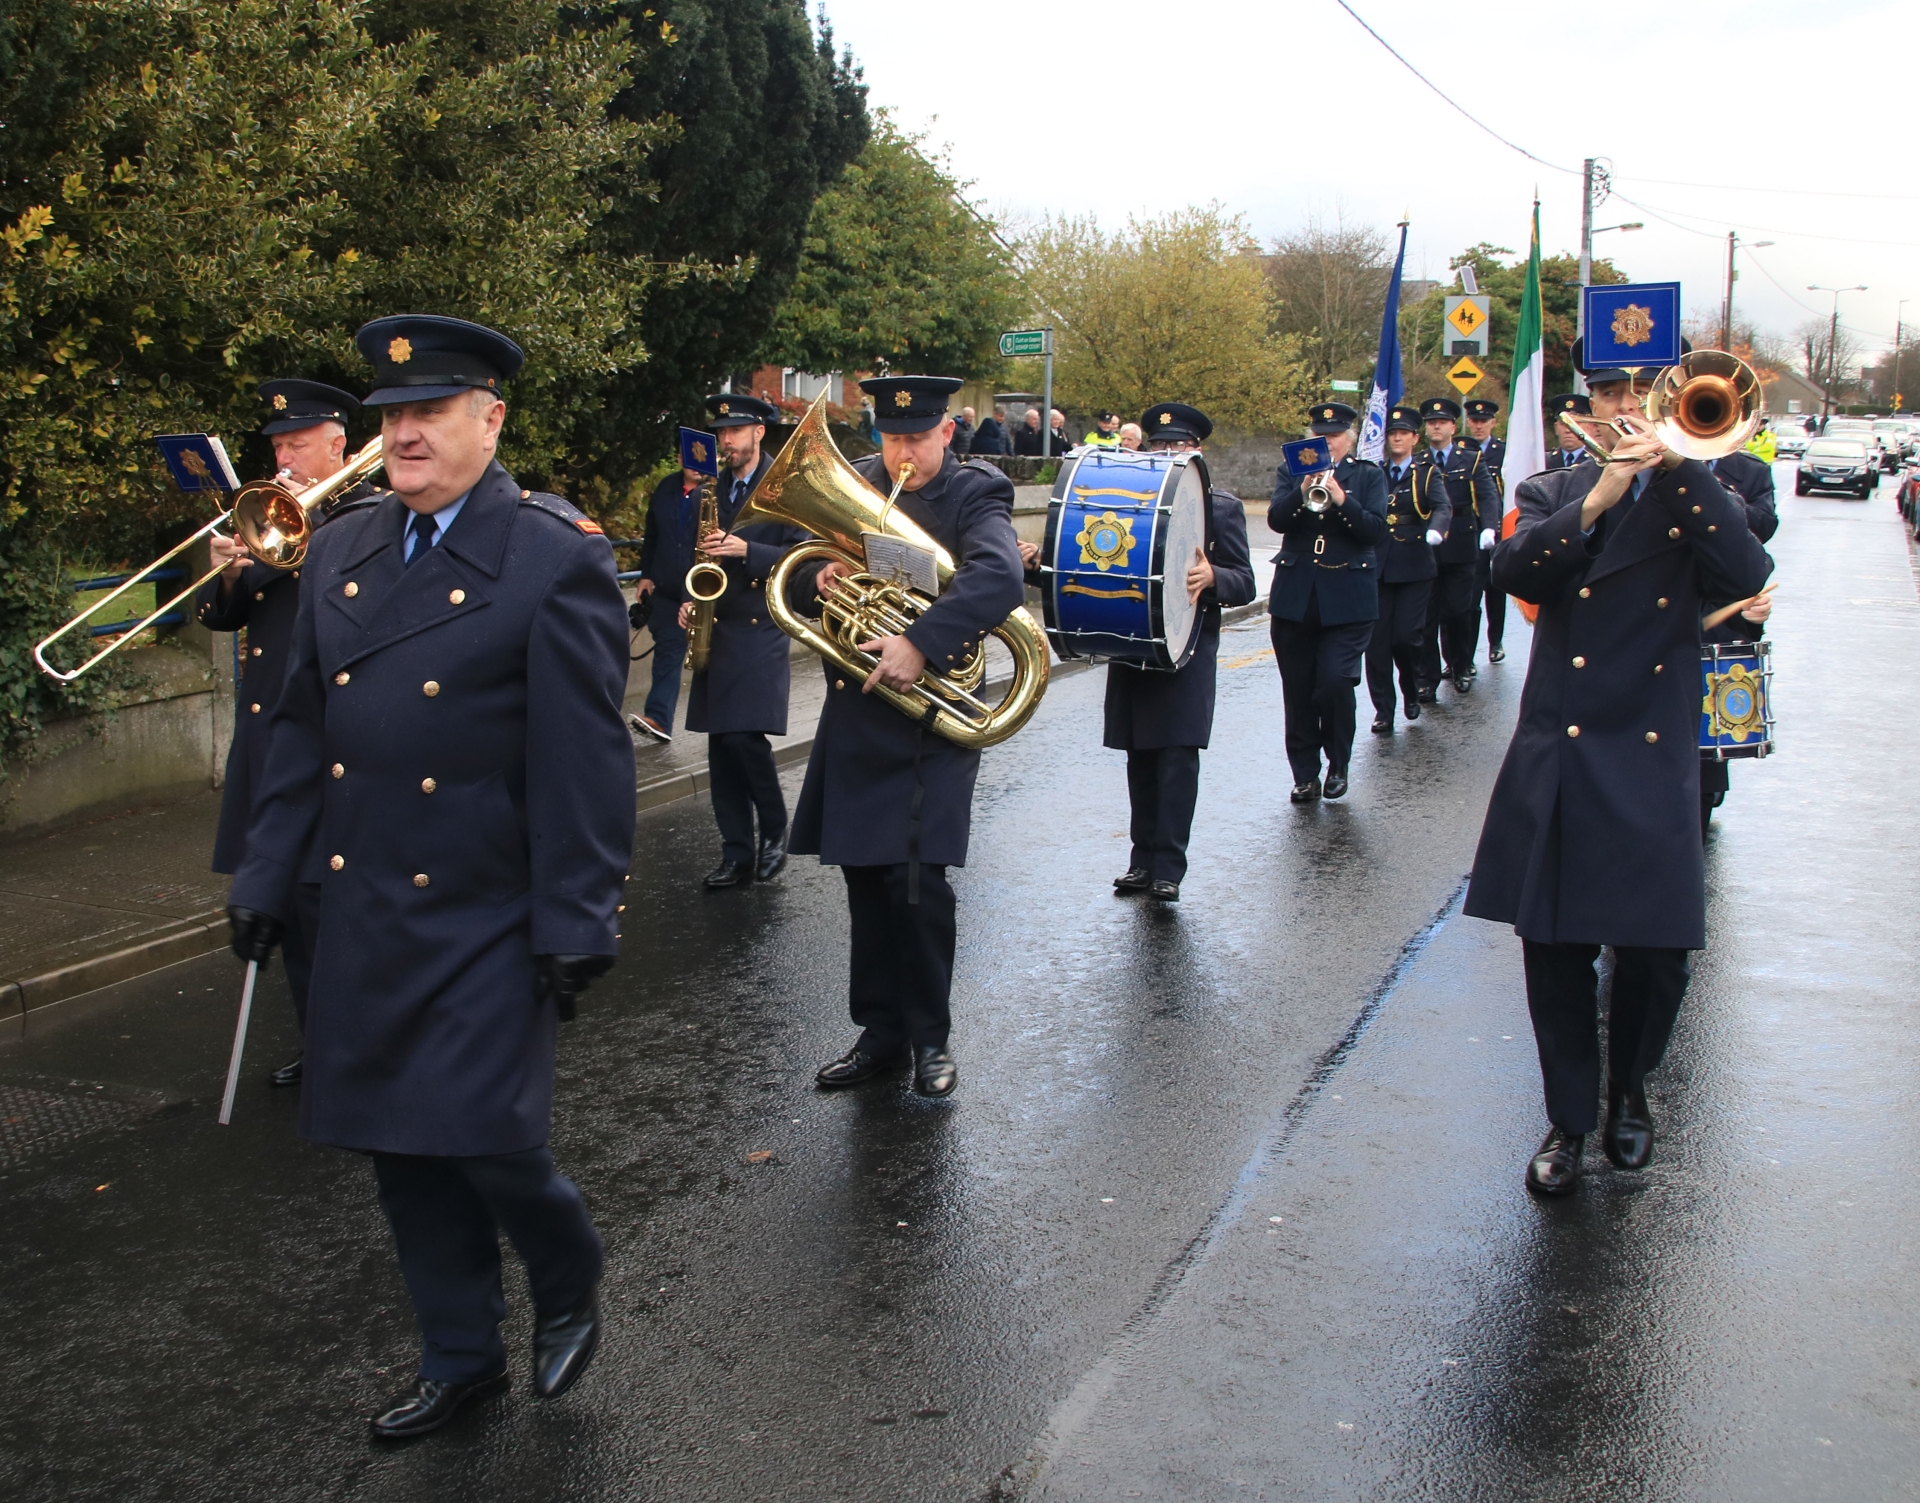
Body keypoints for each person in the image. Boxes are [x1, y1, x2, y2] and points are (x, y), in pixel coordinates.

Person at [226, 315, 635, 1437]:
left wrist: (579, 913)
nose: (404, 434)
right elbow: (299, 732)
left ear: (490, 421)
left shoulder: (552, 555)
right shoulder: (341, 548)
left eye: (431, 412)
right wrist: (265, 872)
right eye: (393, 415)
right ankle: (461, 1358)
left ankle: (565, 1259)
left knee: (485, 1135)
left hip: (488, 904)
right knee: (398, 1144)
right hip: (364, 898)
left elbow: (584, 761)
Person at [1464, 336, 1771, 1197]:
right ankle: (1568, 1119)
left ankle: (1630, 1092)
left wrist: (1676, 471)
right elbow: (1513, 571)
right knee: (1556, 950)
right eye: (1611, 393)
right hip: (1564, 747)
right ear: (1588, 405)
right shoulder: (1552, 490)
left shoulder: (1701, 492)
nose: (1628, 407)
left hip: (1652, 746)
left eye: (1645, 391)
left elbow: (1747, 570)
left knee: (1657, 952)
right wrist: (1598, 498)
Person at [792, 374, 1025, 1099]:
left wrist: (920, 641)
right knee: (866, 879)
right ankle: (880, 1034)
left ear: (947, 432)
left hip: (931, 718)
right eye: (892, 438)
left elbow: (999, 576)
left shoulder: (974, 493)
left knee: (917, 883)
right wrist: (821, 576)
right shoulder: (858, 480)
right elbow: (789, 567)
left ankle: (930, 1038)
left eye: (918, 438)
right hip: (861, 711)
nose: (903, 454)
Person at [195, 379, 381, 1090]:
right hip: (271, 731)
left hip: (333, 736)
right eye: (277, 447)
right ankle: (321, 1038)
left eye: (297, 444)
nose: (284, 458)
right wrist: (231, 572)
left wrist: (300, 531)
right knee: (293, 903)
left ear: (337, 445)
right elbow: (224, 617)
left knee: (333, 901)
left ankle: (361, 1040)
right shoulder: (267, 518)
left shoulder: (366, 513)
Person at [1017, 402, 1254, 900]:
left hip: (1186, 649)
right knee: (1140, 758)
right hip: (1133, 644)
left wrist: (1214, 576)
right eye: (1159, 444)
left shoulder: (1220, 506)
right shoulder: (1125, 501)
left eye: (1177, 445)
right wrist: (1037, 566)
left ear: (1196, 450)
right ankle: (1141, 861)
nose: (1167, 453)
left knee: (1177, 759)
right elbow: (1087, 564)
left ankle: (1168, 867)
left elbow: (1245, 582)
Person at [679, 393, 809, 889]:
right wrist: (689, 600)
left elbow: (802, 556)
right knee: (720, 747)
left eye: (734, 431)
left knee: (742, 737)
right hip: (718, 623)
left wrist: (746, 549)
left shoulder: (785, 488)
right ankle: (736, 854)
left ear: (759, 432)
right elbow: (698, 558)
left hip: (760, 623)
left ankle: (774, 826)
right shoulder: (711, 491)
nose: (726, 441)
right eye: (721, 433)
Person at [1268, 401, 1388, 802]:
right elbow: (1276, 520)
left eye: (1335, 435)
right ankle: (1305, 773)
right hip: (1296, 595)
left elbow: (1373, 530)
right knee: (1298, 690)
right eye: (1320, 435)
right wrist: (1303, 490)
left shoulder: (1367, 475)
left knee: (1335, 682)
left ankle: (1338, 763)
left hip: (1348, 596)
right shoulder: (1292, 471)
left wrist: (1341, 499)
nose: (1328, 442)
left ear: (1348, 439)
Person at [1366, 404, 1449, 735]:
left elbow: (1442, 506)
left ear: (1415, 438)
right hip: (1378, 565)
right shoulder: (1375, 472)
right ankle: (1383, 709)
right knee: (1376, 643)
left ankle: (1412, 688)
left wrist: (1436, 530)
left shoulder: (1426, 473)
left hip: (1414, 564)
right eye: (1392, 434)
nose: (1397, 439)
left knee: (1406, 637)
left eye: (1403, 433)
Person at [1412, 396, 1498, 698]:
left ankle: (1461, 666)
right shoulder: (1418, 462)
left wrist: (1489, 526)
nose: (1436, 427)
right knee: (1426, 616)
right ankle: (1427, 677)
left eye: (1442, 422)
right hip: (1426, 546)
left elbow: (1487, 495)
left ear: (1452, 427)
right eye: (1431, 423)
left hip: (1461, 542)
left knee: (1458, 612)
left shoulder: (1470, 459)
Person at [627, 462, 703, 742]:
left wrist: (693, 595)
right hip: (668, 592)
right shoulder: (666, 487)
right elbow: (652, 535)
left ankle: (725, 722)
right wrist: (646, 575)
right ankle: (659, 719)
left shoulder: (718, 492)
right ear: (680, 457)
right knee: (668, 650)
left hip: (703, 591)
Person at [1463, 398, 1509, 663]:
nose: (1479, 426)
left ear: (1493, 423)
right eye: (1474, 421)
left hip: (1498, 528)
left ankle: (1495, 641)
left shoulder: (1503, 452)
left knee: (1496, 587)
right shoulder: (1463, 452)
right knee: (1471, 594)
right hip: (1471, 528)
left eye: (1484, 421)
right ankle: (1466, 655)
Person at [1544, 394, 1593, 471]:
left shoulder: (1596, 462)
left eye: (1575, 424)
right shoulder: (1544, 461)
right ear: (1556, 428)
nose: (1568, 430)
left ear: (1588, 427)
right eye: (1563, 424)